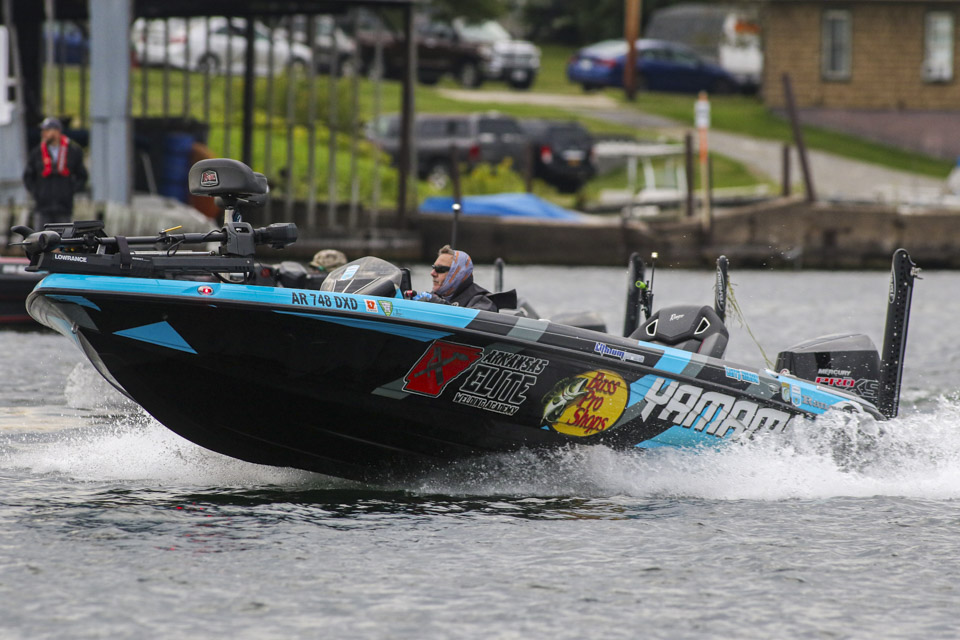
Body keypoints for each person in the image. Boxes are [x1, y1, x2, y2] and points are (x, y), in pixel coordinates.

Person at [23, 117, 88, 230]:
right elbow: (28, 177)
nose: (43, 134)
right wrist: (37, 193)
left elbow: (82, 175)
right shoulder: (37, 153)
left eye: (47, 130)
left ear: (57, 131)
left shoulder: (73, 151)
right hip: (42, 207)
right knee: (41, 237)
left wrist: (70, 190)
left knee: (64, 237)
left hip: (63, 207)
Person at [405, 245, 497, 311]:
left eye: (440, 269)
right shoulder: (433, 297)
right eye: (433, 268)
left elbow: (473, 324)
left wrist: (439, 305)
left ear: (459, 273)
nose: (432, 273)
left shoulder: (483, 302)